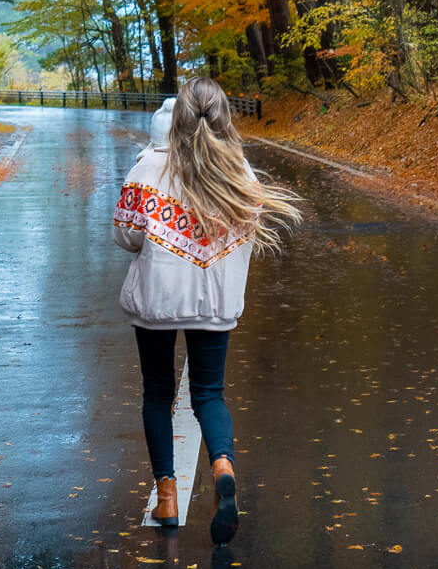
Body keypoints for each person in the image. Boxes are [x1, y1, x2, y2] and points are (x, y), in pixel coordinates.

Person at [112, 77, 302, 542]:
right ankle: (221, 466)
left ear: (174, 120)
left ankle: (169, 500)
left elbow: (125, 235)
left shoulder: (146, 171)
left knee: (157, 393)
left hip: (156, 302)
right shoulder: (242, 174)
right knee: (209, 394)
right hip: (216, 302)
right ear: (224, 117)